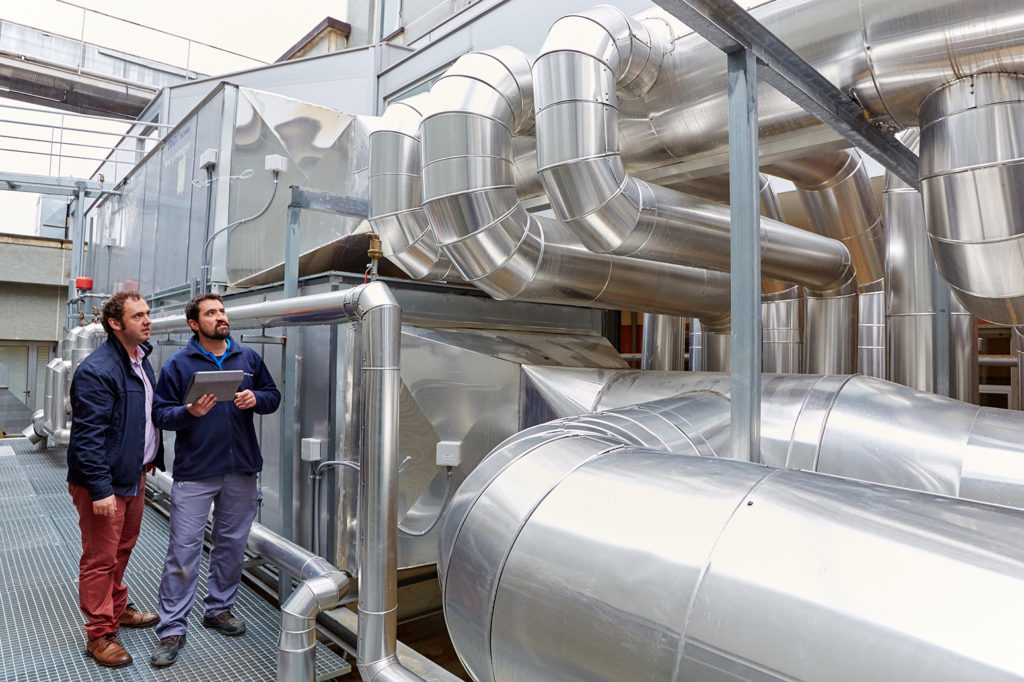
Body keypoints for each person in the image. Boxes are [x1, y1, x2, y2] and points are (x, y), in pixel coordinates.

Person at [149, 292, 280, 667]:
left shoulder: (248, 358)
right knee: (183, 552)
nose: (220, 317)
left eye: (221, 311)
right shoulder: (178, 364)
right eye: (211, 313)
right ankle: (172, 628)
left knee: (232, 546)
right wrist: (188, 412)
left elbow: (273, 396)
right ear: (195, 323)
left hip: (241, 469)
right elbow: (161, 414)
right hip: (195, 473)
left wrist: (256, 398)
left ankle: (219, 609)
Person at [67, 290, 163, 668]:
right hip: (103, 484)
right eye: (138, 315)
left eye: (147, 313)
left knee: (122, 548)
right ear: (115, 323)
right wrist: (100, 488)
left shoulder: (140, 360)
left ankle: (117, 608)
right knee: (100, 558)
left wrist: (150, 455)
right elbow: (87, 437)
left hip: (132, 475)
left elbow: (140, 417)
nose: (147, 320)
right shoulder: (98, 369)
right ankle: (99, 633)